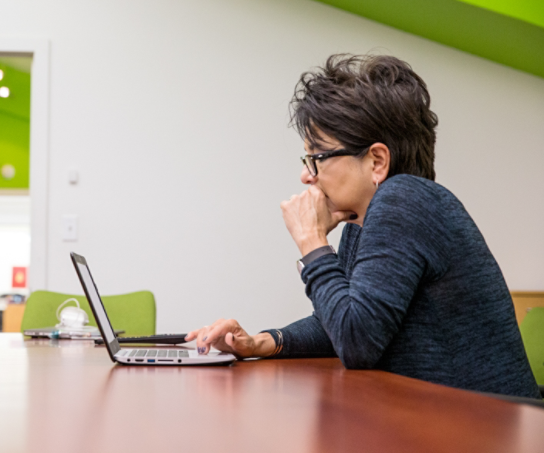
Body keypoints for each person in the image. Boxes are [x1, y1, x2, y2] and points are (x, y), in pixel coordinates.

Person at [185, 54, 541, 399]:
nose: (307, 175)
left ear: (376, 161)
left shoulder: (405, 199)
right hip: (446, 423)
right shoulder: (366, 218)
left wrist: (311, 240)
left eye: (317, 157)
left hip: (493, 429)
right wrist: (262, 342)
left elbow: (357, 343)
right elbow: (342, 324)